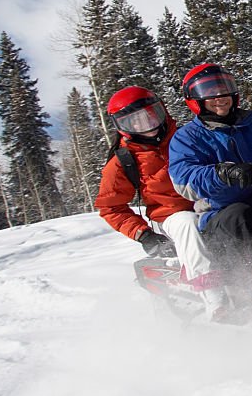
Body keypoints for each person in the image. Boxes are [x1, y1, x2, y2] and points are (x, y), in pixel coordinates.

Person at [95, 85, 231, 321]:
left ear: (161, 111)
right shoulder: (123, 160)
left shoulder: (186, 136)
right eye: (133, 121)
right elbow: (110, 206)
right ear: (122, 126)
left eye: (150, 114)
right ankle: (215, 300)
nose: (144, 124)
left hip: (209, 203)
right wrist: (143, 234)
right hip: (171, 216)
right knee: (187, 223)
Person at [167, 64, 252, 306]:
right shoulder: (188, 137)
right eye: (209, 92)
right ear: (195, 100)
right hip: (221, 213)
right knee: (241, 216)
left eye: (223, 90)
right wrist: (223, 173)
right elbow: (184, 177)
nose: (219, 98)